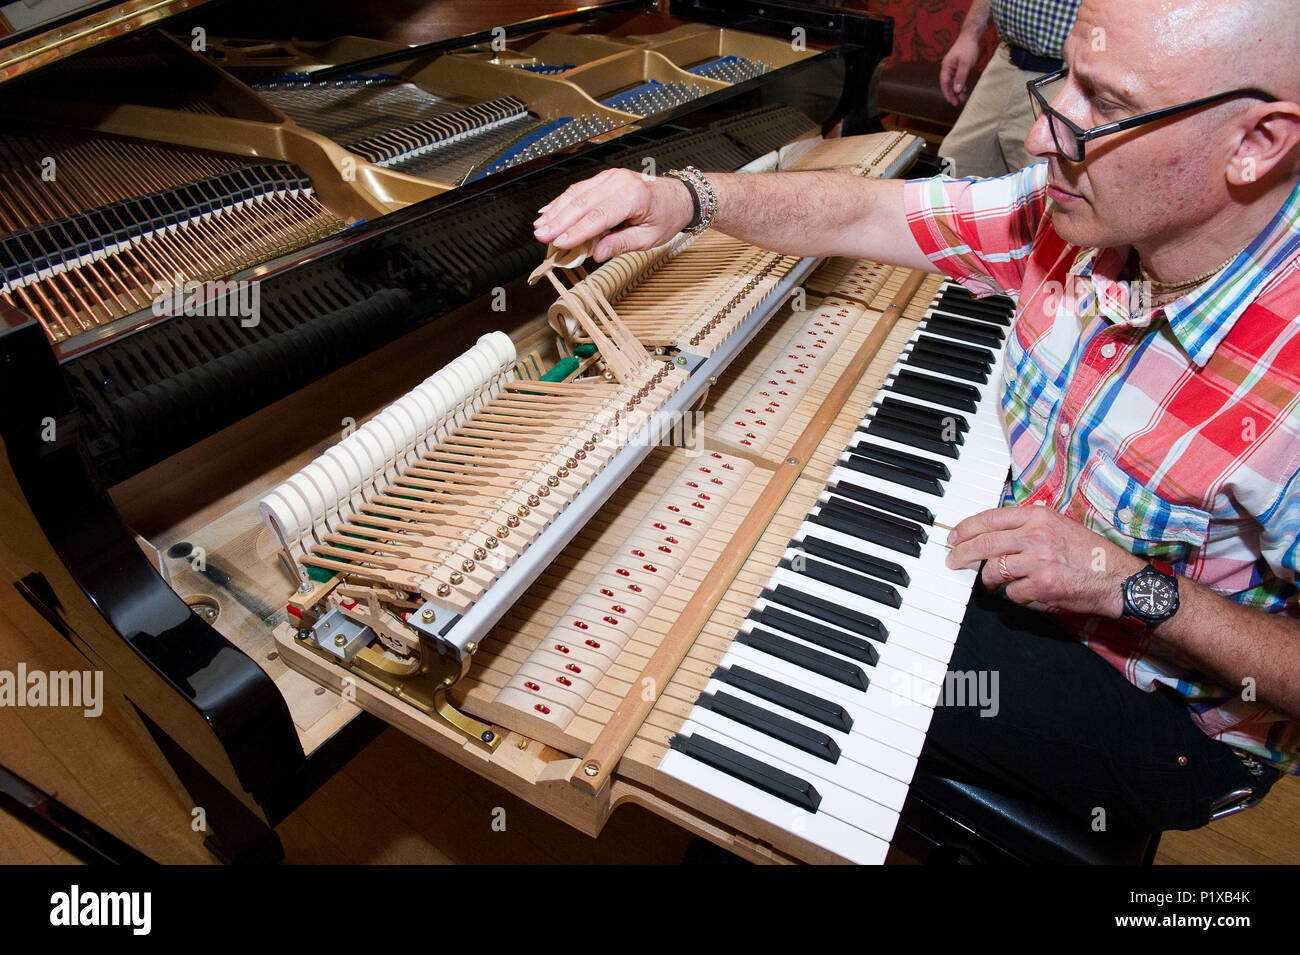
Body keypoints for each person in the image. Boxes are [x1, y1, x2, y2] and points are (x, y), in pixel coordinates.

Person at [532, 0, 1300, 836]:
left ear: (1256, 142)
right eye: (1066, 84)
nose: (1046, 136)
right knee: (789, 559)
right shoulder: (1080, 211)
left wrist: (1130, 582)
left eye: (1105, 108)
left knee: (779, 654)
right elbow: (871, 212)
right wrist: (683, 196)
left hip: (1160, 708)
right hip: (1031, 558)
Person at [938, 0, 1081, 178]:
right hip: (1006, 59)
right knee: (953, 166)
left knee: (1044, 186)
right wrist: (970, 34)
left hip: (1068, 75)